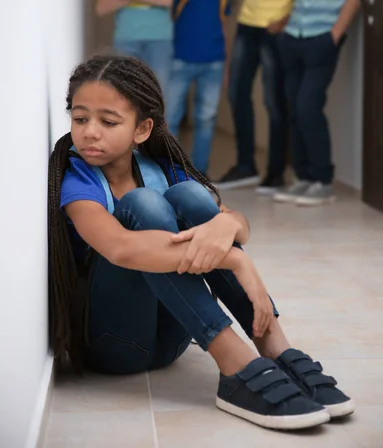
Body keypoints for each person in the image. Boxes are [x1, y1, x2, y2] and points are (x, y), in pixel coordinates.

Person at [48, 55, 354, 432]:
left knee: (192, 195)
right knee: (142, 204)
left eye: (108, 121)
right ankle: (235, 365)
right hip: (114, 345)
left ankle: (274, 345)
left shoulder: (162, 168)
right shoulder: (79, 180)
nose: (90, 132)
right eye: (80, 119)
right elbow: (121, 249)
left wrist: (223, 226)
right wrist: (237, 263)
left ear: (141, 129)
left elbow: (239, 224)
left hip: (172, 340)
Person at [274, 0, 365, 206]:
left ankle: (323, 180)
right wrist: (285, 26)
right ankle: (304, 176)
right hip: (294, 35)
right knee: (293, 109)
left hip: (322, 38)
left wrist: (334, 35)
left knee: (308, 105)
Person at [217, 0, 312, 194]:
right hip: (247, 23)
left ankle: (274, 173)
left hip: (275, 31)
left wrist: (286, 19)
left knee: (274, 102)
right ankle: (246, 165)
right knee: (237, 93)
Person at [166, 0, 231, 176]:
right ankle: (171, 172)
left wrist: (226, 65)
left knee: (206, 119)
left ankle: (199, 173)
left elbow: (222, 25)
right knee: (171, 118)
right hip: (180, 59)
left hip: (214, 62)